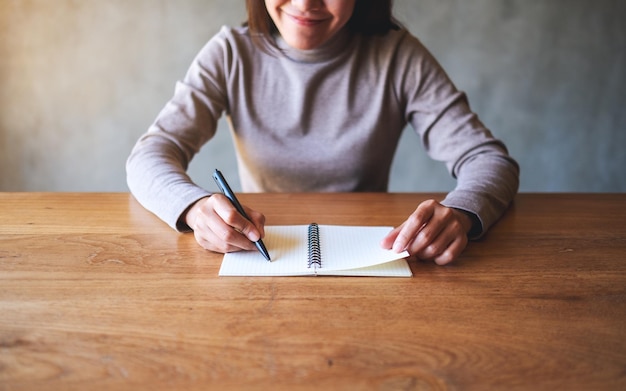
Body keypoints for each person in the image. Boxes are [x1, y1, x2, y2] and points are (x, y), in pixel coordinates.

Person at [126, 0, 519, 265]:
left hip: (367, 255)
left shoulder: (398, 55)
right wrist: (193, 208)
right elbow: (149, 155)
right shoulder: (231, 53)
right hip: (263, 251)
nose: (305, 3)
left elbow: (488, 159)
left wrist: (464, 212)